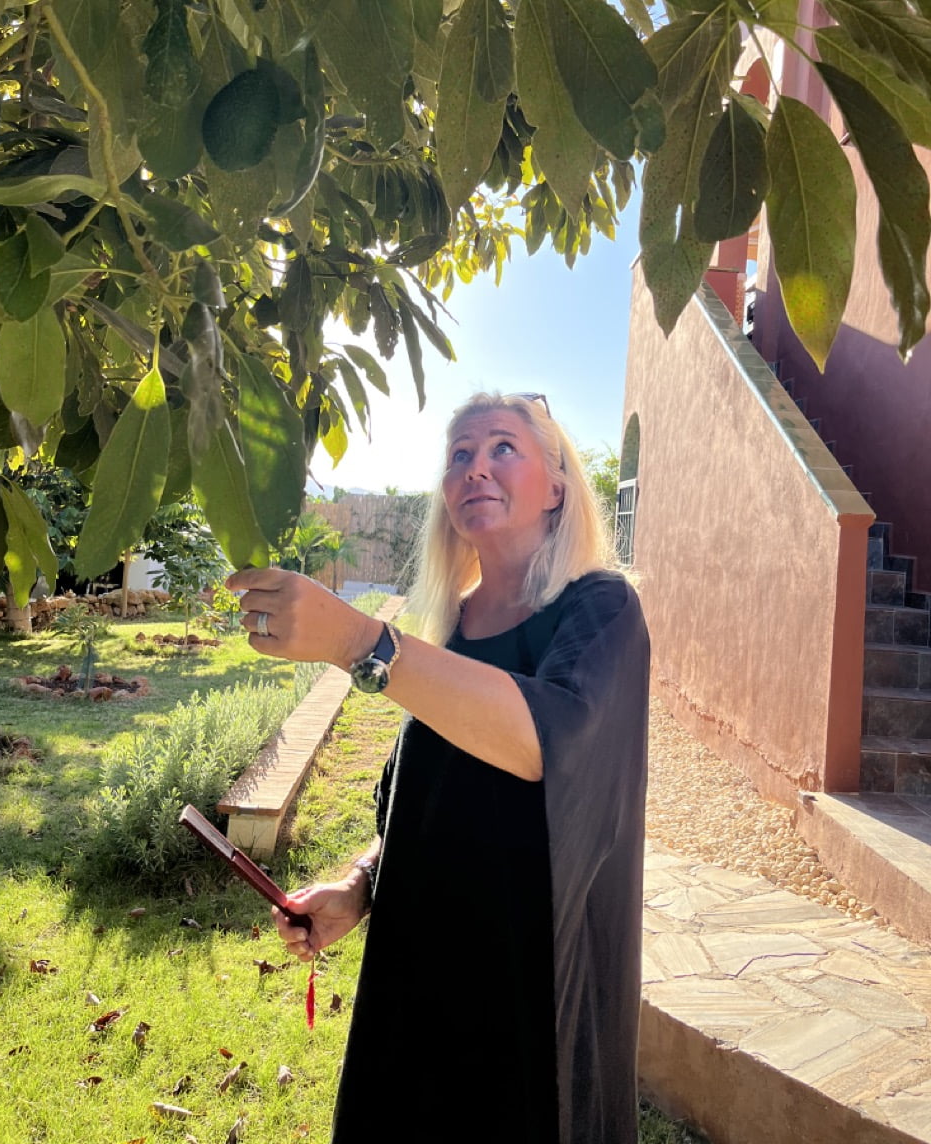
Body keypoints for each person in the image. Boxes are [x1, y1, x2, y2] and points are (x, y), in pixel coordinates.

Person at [226, 392, 649, 1144]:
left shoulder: (601, 610)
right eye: (459, 455)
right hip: (416, 991)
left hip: (527, 999)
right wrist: (358, 888)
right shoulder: (449, 632)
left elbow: (546, 740)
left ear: (556, 487)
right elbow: (414, 806)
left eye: (502, 447)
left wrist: (361, 642)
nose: (475, 467)